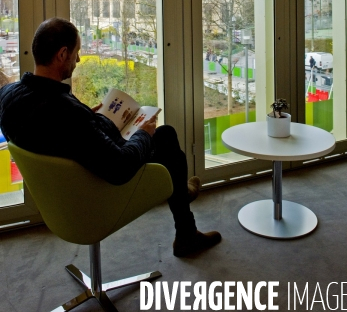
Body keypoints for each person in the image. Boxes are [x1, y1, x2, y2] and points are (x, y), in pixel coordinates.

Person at [0, 18, 221, 257]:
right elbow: (120, 167)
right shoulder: (66, 113)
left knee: (160, 136)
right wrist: (143, 134)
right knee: (163, 135)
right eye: (76, 53)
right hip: (94, 190)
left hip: (61, 193)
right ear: (62, 54)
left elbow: (61, 130)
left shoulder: (10, 95)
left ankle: (179, 192)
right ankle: (183, 212)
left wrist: (92, 117)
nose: (78, 60)